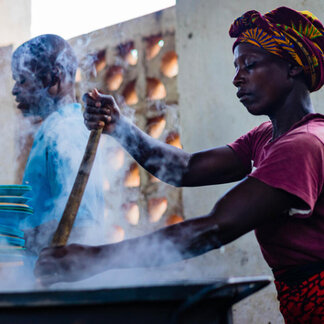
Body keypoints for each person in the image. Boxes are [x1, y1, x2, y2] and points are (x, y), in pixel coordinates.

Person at [35, 8, 324, 323]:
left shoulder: (304, 145)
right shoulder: (267, 136)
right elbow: (186, 168)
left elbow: (215, 227)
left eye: (250, 65)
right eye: (236, 66)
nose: (237, 78)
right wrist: (118, 125)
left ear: (293, 68)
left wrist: (96, 258)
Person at [11, 34, 105, 253]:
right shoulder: (54, 128)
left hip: (58, 280)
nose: (14, 90)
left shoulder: (63, 133)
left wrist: (14, 237)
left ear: (53, 79)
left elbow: (81, 225)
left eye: (22, 80)